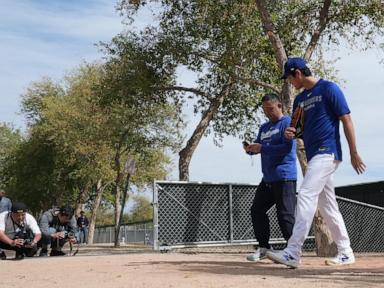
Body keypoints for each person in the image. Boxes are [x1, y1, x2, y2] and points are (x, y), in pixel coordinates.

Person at [266, 57, 366, 268]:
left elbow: (346, 119)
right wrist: (291, 132)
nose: (289, 83)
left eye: (290, 79)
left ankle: (293, 251)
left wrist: (354, 152)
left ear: (298, 74)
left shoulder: (329, 89)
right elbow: (298, 128)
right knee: (327, 205)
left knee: (306, 194)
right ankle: (346, 252)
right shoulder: (299, 100)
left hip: (327, 152)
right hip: (313, 155)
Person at [243, 93, 297, 262]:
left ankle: (293, 251)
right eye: (264, 110)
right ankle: (264, 247)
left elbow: (286, 148)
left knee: (285, 215)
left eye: (270, 109)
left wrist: (262, 148)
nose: (267, 112)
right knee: (256, 209)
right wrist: (251, 149)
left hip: (284, 176)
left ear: (279, 106)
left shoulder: (287, 123)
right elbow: (260, 146)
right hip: (267, 179)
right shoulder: (264, 128)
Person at [0, 189, 12, 258]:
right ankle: (1, 252)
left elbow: (10, 210)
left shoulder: (7, 200)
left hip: (4, 220)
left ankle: (2, 251)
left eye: (2, 193)